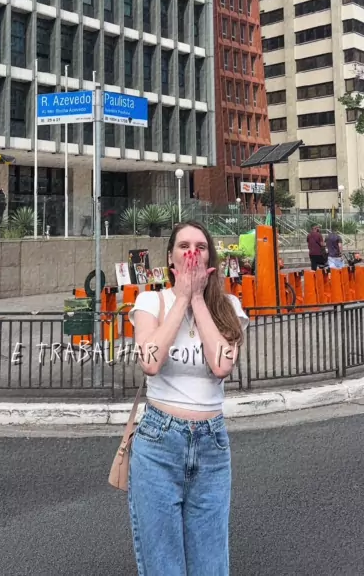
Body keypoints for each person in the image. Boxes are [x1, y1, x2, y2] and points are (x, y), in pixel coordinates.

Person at [127, 221, 249, 576]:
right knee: (162, 561)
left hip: (212, 444)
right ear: (170, 258)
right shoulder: (151, 301)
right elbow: (150, 362)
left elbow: (222, 364)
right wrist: (181, 298)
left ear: (210, 259)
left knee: (211, 561)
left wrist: (198, 299)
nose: (192, 253)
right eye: (184, 246)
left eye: (200, 246)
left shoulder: (229, 307)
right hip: (158, 442)